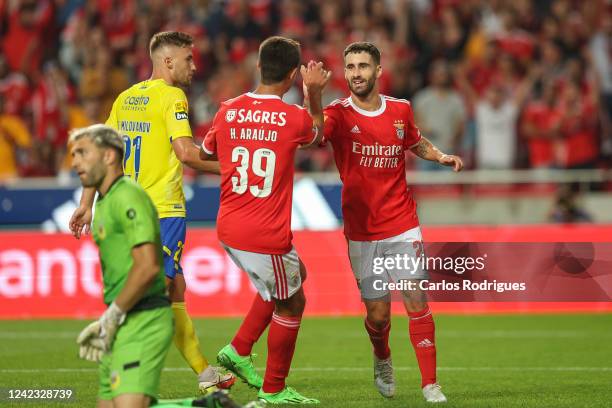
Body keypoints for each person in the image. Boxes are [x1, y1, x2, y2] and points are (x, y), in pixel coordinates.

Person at [68, 31, 234, 393]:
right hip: (162, 209)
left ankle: (205, 375)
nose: (194, 65)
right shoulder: (173, 97)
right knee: (159, 287)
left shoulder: (126, 98)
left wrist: (85, 203)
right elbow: (187, 154)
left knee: (175, 287)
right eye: (189, 59)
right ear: (168, 61)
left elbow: (97, 153)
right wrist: (236, 168)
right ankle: (121, 348)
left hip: (125, 208)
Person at [319, 42, 464, 403]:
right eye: (350, 66)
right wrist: (311, 93)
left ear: (379, 71)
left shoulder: (401, 109)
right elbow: (312, 134)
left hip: (401, 222)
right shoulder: (337, 114)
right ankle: (382, 356)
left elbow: (413, 142)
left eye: (363, 66)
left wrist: (441, 156)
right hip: (362, 230)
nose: (356, 73)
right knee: (379, 315)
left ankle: (430, 383)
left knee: (416, 298)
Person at [71, 124, 243, 408]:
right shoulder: (108, 203)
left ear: (109, 157)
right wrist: (87, 203)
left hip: (140, 323)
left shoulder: (130, 199)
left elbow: (149, 270)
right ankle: (209, 399)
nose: (75, 162)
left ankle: (207, 382)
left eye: (83, 154)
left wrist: (112, 317)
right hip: (123, 323)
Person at [200, 36, 330, 404]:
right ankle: (273, 390)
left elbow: (207, 153)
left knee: (293, 276)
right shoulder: (292, 118)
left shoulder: (228, 109)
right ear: (293, 75)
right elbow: (317, 134)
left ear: (257, 66)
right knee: (292, 302)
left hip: (228, 225)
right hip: (264, 232)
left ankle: (240, 349)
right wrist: (315, 93)